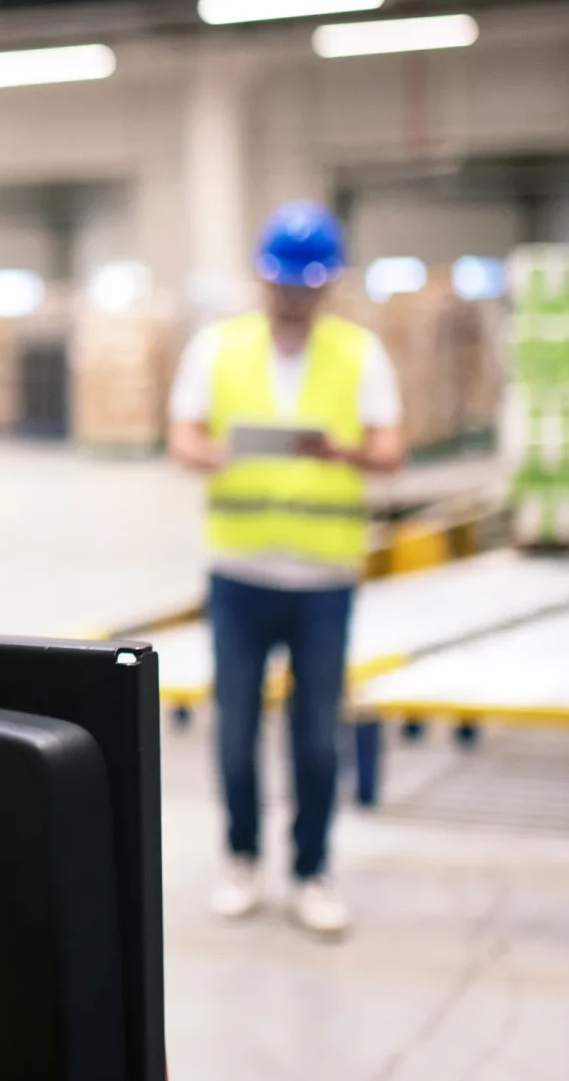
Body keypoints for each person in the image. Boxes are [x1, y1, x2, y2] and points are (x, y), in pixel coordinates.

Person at [166, 202, 403, 939]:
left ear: (328, 284)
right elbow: (183, 438)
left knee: (314, 738)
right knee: (235, 731)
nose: (294, 295)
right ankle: (241, 858)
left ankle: (311, 871)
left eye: (307, 284)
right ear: (262, 279)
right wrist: (221, 454)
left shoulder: (358, 354)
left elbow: (391, 449)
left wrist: (344, 451)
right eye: (283, 283)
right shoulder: (218, 348)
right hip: (239, 577)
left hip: (323, 582)